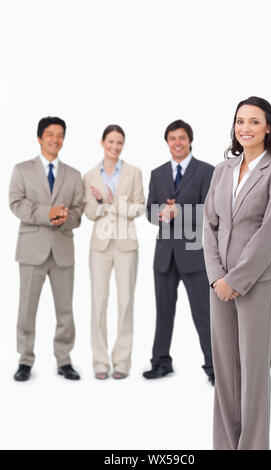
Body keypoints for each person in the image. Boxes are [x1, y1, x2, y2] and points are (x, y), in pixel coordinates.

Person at [203, 96, 271, 450]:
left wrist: (236, 280)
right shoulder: (222, 170)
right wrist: (216, 278)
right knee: (225, 372)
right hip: (218, 283)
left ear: (268, 127)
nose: (245, 128)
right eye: (240, 121)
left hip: (256, 282)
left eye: (254, 122)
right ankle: (225, 445)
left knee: (254, 373)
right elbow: (208, 227)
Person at [9, 116, 84, 381]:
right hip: (31, 249)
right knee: (26, 308)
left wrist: (67, 218)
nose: (55, 139)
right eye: (50, 134)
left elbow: (79, 210)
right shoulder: (22, 170)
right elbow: (15, 203)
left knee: (65, 310)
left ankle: (64, 359)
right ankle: (25, 359)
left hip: (62, 249)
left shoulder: (74, 175)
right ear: (39, 137)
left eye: (60, 134)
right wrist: (46, 213)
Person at [143, 120, 215, 384]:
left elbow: (211, 212)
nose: (177, 142)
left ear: (190, 140)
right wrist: (161, 213)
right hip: (164, 256)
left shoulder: (206, 171)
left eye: (181, 138)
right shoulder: (157, 173)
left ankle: (215, 368)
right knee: (163, 312)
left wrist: (179, 212)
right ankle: (161, 363)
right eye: (172, 138)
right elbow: (149, 211)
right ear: (167, 142)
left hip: (194, 255)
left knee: (204, 314)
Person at [84, 125, 145, 380]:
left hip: (126, 245)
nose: (115, 146)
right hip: (99, 245)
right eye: (111, 141)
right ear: (102, 142)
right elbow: (88, 212)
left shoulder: (133, 172)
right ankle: (99, 362)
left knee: (125, 302)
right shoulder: (89, 176)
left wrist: (111, 202)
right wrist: (101, 206)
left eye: (119, 142)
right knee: (98, 302)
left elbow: (140, 206)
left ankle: (121, 361)